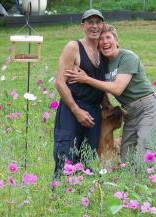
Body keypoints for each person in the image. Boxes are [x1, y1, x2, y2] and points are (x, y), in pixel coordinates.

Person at [65, 24, 156, 166]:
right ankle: (131, 186)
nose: (105, 42)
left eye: (108, 37)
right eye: (101, 39)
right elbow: (100, 85)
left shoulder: (127, 57)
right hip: (129, 112)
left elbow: (117, 88)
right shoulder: (103, 63)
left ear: (116, 41)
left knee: (145, 151)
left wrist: (86, 79)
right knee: (126, 158)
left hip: (147, 107)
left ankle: (152, 183)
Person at [53, 9, 111, 178]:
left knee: (87, 159)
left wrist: (106, 103)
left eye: (98, 22)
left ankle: (82, 200)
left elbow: (100, 82)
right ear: (83, 26)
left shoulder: (102, 51)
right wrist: (76, 110)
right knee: (66, 156)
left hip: (93, 112)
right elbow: (60, 82)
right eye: (90, 22)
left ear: (102, 25)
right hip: (72, 110)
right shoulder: (74, 47)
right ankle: (59, 199)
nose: (94, 26)